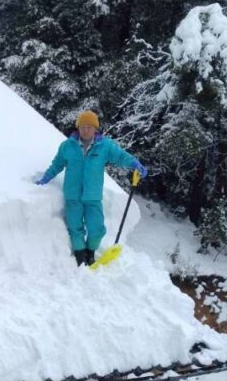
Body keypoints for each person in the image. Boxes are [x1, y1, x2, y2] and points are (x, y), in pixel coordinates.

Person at [35, 110, 147, 266]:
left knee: (97, 229)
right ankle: (80, 258)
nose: (85, 130)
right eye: (82, 126)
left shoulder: (104, 146)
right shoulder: (67, 146)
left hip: (93, 196)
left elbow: (120, 156)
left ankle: (90, 252)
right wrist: (46, 178)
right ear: (78, 128)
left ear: (95, 129)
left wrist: (134, 163)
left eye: (89, 127)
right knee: (75, 228)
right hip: (72, 195)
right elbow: (57, 164)